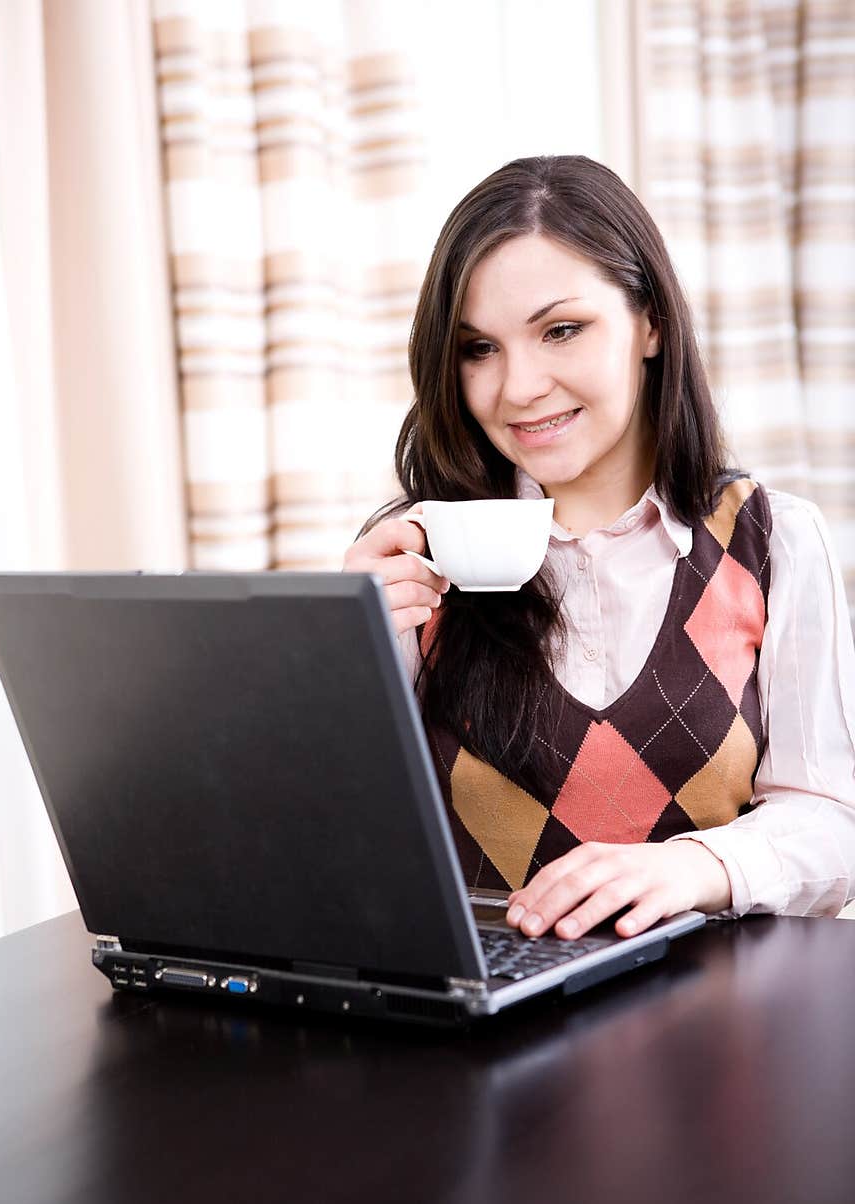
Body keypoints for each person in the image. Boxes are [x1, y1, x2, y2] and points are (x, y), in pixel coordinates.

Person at [343, 154, 855, 941]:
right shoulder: (415, 557)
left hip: (716, 1028)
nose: (517, 387)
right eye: (480, 348)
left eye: (561, 330)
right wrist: (343, 657)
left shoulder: (773, 540)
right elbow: (349, 847)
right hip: (489, 1040)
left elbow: (832, 822)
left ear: (650, 323)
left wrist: (692, 868)